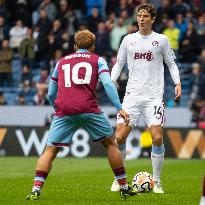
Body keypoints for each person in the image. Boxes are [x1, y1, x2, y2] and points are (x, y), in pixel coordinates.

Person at [26, 30, 137, 200]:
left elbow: (50, 92)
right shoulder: (98, 60)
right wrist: (119, 107)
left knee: (50, 151)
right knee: (110, 144)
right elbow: (107, 83)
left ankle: (35, 190)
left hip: (64, 110)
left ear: (75, 45)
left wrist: (56, 108)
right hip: (89, 108)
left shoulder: (61, 62)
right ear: (92, 46)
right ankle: (123, 187)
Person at [110, 4, 182, 194]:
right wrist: (110, 82)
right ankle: (120, 179)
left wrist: (178, 83)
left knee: (157, 138)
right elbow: (119, 64)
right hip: (132, 96)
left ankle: (156, 182)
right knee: (119, 137)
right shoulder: (128, 40)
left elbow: (171, 64)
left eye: (145, 16)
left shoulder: (161, 40)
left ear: (152, 19)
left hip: (154, 98)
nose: (141, 19)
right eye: (139, 16)